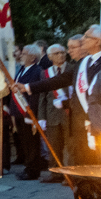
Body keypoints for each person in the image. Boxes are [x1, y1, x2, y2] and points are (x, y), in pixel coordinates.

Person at [23, 30, 99, 167]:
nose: (68, 52)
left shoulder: (99, 63)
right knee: (79, 157)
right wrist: (27, 87)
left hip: (93, 120)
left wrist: (66, 103)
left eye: (72, 48)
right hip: (75, 120)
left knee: (90, 160)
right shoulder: (82, 64)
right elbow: (58, 81)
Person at [13, 44, 46, 180]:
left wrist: (33, 113)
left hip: (29, 111)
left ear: (33, 57)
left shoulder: (37, 71)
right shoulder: (21, 70)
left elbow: (36, 94)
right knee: (24, 142)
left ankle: (33, 170)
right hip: (18, 111)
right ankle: (28, 167)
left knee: (32, 142)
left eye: (25, 53)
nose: (21, 55)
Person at [38, 44, 70, 181]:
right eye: (56, 53)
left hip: (69, 114)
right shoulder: (45, 73)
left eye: (62, 52)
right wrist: (41, 117)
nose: (61, 55)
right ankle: (56, 173)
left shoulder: (73, 68)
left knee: (70, 147)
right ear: (50, 56)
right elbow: (43, 96)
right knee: (54, 147)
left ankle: (70, 175)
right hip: (51, 116)